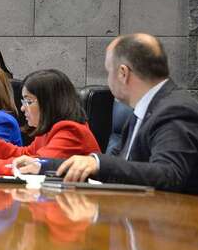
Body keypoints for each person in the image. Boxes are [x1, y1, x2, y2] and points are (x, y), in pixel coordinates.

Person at [15, 34, 198, 193]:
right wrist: (43, 166)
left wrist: (98, 163)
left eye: (108, 71)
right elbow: (122, 165)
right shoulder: (142, 111)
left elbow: (169, 174)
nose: (108, 79)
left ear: (123, 73)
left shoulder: (174, 110)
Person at [0, 69, 100, 175]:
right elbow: (25, 154)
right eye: (23, 102)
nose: (22, 108)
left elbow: (33, 166)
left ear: (49, 103)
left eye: (29, 101)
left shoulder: (71, 131)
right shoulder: (49, 129)